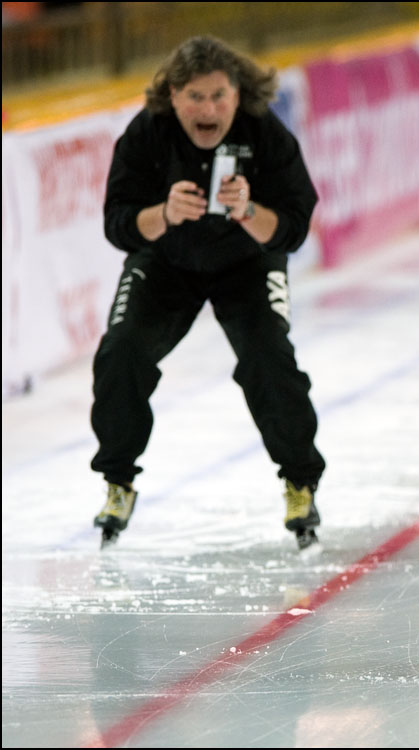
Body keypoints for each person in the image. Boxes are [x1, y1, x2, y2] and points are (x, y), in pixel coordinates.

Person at [90, 36, 325, 550]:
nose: (208, 109)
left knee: (268, 357)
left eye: (219, 95)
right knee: (121, 351)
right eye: (195, 97)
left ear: (238, 95)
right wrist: (163, 214)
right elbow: (117, 224)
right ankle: (118, 481)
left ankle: (300, 481)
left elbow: (293, 227)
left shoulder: (264, 133)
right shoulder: (146, 133)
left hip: (246, 261)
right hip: (167, 261)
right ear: (172, 96)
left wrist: (248, 212)